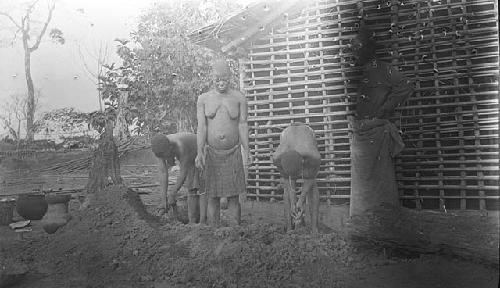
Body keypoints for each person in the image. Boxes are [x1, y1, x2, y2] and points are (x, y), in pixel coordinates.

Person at [348, 25, 414, 217]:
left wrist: (385, 108)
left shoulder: (384, 69)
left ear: (368, 49)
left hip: (376, 132)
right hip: (361, 133)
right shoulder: (359, 72)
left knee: (381, 179)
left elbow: (406, 85)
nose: (355, 53)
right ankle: (364, 217)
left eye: (357, 49)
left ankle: (384, 216)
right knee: (362, 182)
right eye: (353, 49)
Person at [195, 59, 251, 226]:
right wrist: (199, 152)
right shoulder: (203, 99)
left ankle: (235, 233)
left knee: (234, 197)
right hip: (212, 153)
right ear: (212, 78)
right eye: (217, 78)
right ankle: (213, 233)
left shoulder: (239, 98)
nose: (221, 82)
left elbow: (242, 124)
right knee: (213, 196)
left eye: (225, 78)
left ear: (230, 77)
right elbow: (202, 127)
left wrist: (247, 150)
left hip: (233, 152)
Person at [273, 123, 321, 234]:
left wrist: (301, 199)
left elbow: (310, 178)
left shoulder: (313, 156)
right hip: (287, 135)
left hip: (306, 135)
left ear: (303, 162)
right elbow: (287, 181)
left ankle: (315, 229)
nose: (295, 177)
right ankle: (289, 228)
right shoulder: (277, 158)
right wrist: (293, 201)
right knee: (289, 189)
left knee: (313, 186)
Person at [151, 133, 205, 224]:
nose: (165, 158)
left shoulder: (180, 145)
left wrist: (172, 193)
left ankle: (203, 221)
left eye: (165, 155)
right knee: (191, 189)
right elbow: (163, 172)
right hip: (190, 159)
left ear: (170, 147)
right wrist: (164, 199)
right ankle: (192, 222)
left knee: (203, 189)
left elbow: (183, 172)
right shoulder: (159, 150)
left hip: (200, 151)